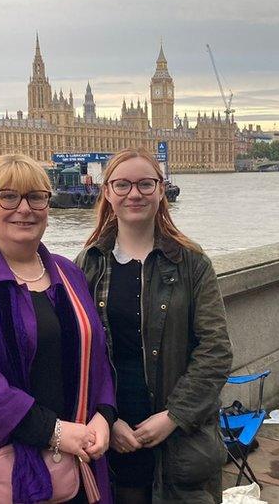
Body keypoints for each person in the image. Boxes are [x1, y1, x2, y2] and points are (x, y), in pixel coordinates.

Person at [0, 154, 116, 504]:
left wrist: (104, 415)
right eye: (7, 196)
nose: (23, 208)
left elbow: (96, 355)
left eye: (36, 197)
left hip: (76, 459)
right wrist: (52, 431)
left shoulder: (67, 273)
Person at [77, 149, 232, 504]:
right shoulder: (88, 264)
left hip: (179, 434)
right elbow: (78, 355)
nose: (135, 194)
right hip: (113, 432)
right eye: (123, 184)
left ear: (161, 190)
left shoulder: (191, 262)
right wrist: (104, 418)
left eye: (146, 184)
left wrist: (175, 416)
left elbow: (216, 350)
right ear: (108, 193)